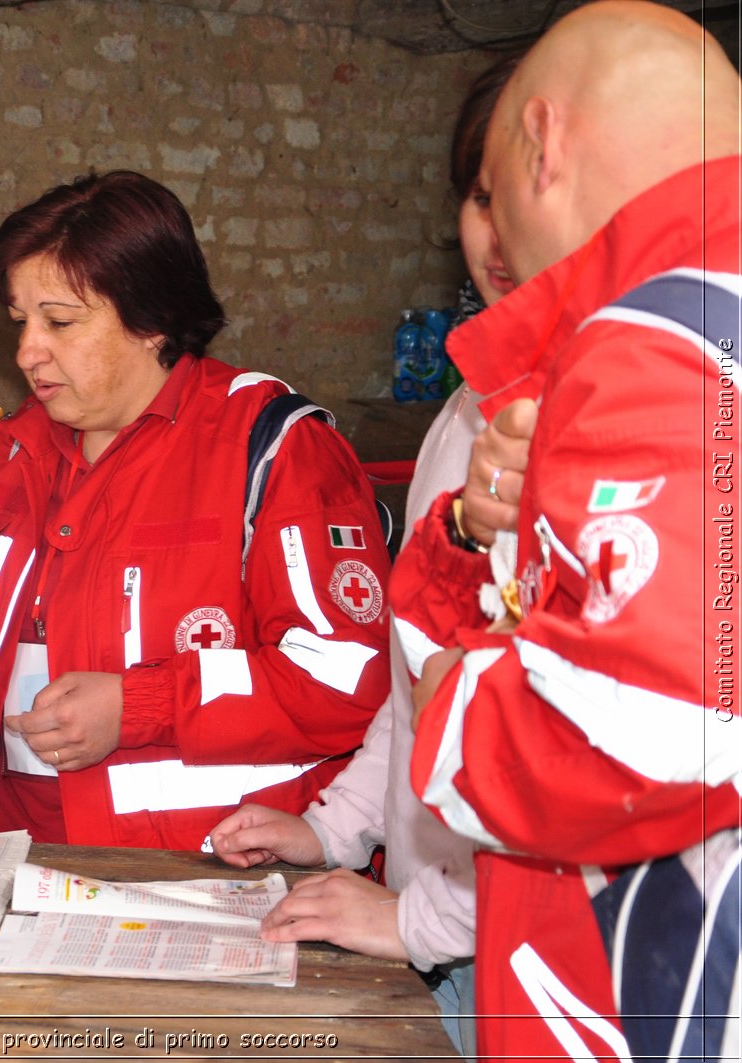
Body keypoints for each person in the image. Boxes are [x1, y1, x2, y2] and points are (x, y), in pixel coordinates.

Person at [392, 4, 741, 1058]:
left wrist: (455, 701)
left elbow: (651, 719)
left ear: (544, 144)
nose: (496, 238)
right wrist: (473, 539)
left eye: (493, 193)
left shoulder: (662, 329)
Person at [209, 53, 518, 1057]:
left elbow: (620, 781)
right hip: (441, 946)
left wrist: (421, 922)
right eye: (482, 193)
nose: (505, 229)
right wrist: (334, 825)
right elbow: (415, 677)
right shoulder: (466, 417)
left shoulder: (683, 436)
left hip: (553, 970)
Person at [0, 170, 392, 851]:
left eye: (59, 320)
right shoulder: (19, 453)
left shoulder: (271, 449)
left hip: (198, 877)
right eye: (20, 322)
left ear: (150, 320)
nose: (28, 350)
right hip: (15, 858)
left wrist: (140, 705)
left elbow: (347, 677)